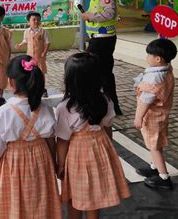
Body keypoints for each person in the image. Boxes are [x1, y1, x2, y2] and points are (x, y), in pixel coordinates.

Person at [0, 55, 61, 219]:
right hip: (42, 161)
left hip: (14, 163)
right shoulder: (46, 109)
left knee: (16, 202)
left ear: (11, 83)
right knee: (41, 201)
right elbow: (51, 141)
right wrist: (54, 162)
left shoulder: (5, 111)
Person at [56, 52, 130, 219]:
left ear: (70, 79)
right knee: (94, 198)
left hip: (77, 155)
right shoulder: (106, 100)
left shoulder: (65, 108)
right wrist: (108, 152)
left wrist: (60, 165)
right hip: (100, 148)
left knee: (74, 196)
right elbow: (108, 128)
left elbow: (62, 140)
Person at [68, 0, 123, 115]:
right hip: (99, 38)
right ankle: (112, 105)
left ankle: (100, 104)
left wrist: (89, 16)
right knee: (104, 72)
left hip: (102, 40)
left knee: (93, 70)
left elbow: (110, 13)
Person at [134, 39, 177, 190]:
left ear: (158, 59)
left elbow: (146, 100)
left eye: (149, 55)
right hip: (161, 114)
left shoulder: (154, 78)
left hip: (153, 116)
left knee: (154, 146)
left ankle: (163, 177)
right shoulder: (166, 69)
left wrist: (138, 117)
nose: (147, 57)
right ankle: (155, 166)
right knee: (154, 143)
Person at [15, 12, 50, 98]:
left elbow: (47, 43)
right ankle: (32, 88)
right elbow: (25, 41)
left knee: (41, 73)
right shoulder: (26, 31)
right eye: (34, 20)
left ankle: (43, 89)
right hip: (30, 57)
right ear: (28, 22)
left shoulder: (43, 31)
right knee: (30, 73)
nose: (36, 21)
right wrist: (20, 45)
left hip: (40, 57)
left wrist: (44, 52)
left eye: (38, 20)